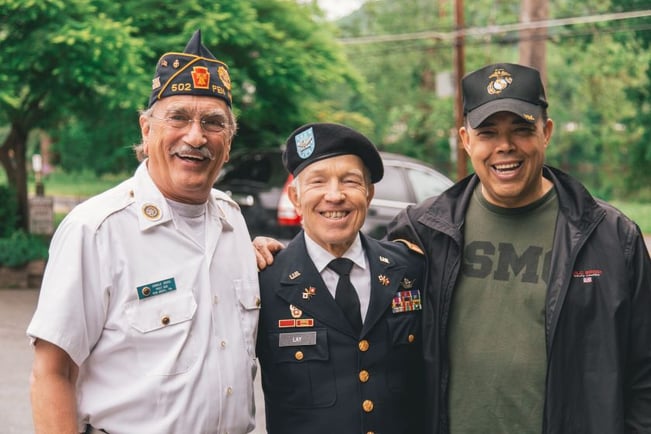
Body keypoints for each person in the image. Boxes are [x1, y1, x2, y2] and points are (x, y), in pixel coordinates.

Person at [385, 63, 651, 433]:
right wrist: (278, 257)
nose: (504, 147)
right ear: (465, 140)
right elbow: (354, 307)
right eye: (488, 132)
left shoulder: (612, 237)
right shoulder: (423, 231)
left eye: (522, 130)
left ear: (547, 132)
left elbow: (644, 373)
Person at [27, 30, 263, 434]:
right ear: (146, 129)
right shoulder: (97, 229)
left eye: (213, 123)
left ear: (228, 142)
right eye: (178, 118)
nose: (195, 136)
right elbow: (52, 374)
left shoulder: (232, 222)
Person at [255, 123, 426, 434]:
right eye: (317, 182)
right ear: (295, 197)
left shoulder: (410, 270)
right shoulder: (263, 281)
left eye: (350, 181)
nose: (334, 196)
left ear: (369, 193)